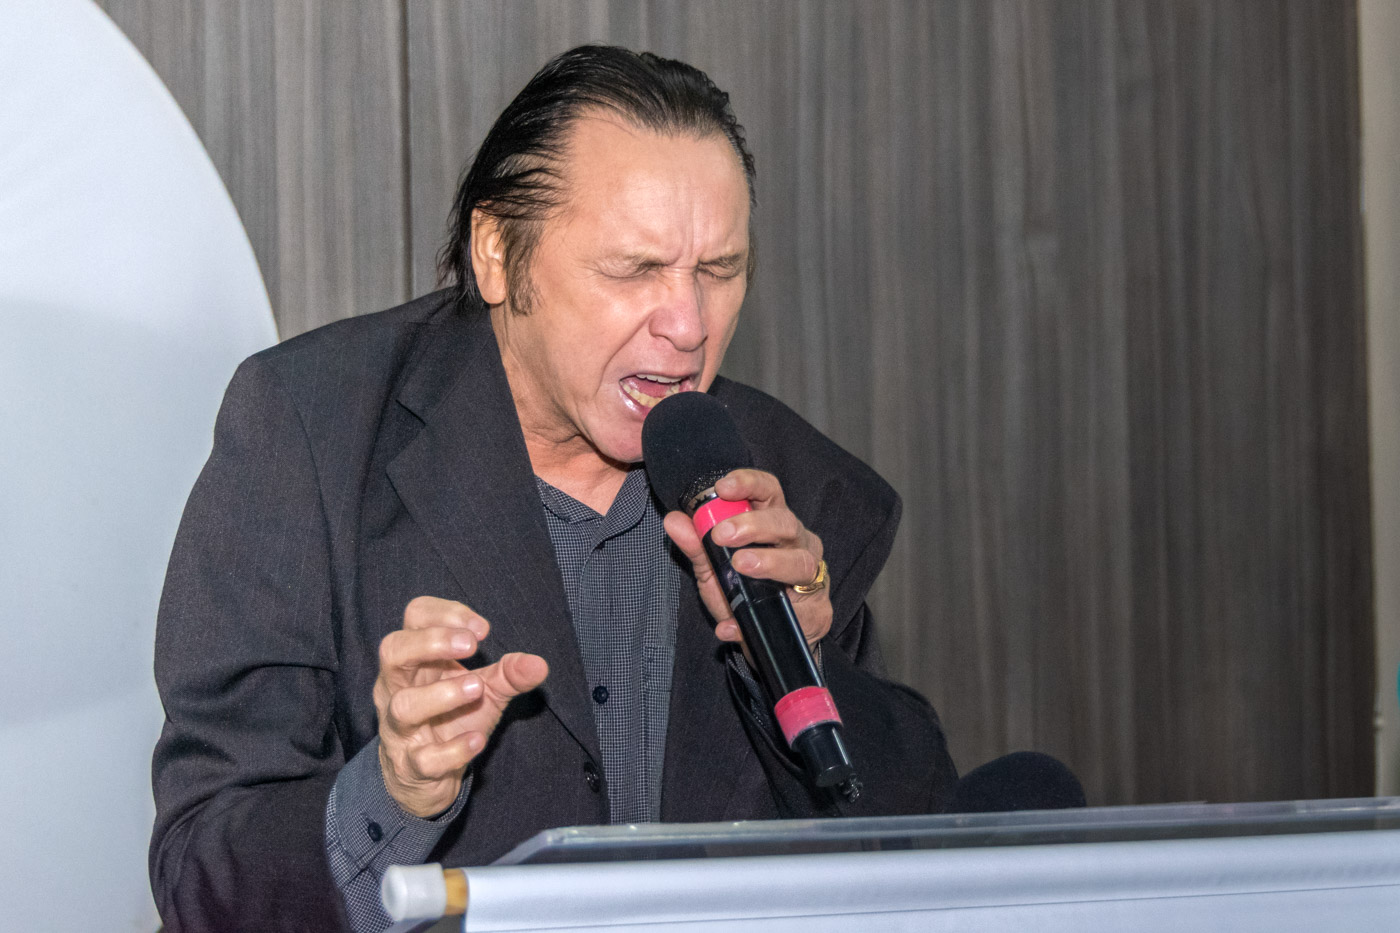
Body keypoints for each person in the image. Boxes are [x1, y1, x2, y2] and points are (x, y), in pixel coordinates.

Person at [149, 45, 957, 933]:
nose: (688, 324)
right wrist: (390, 793)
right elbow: (201, 875)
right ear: (498, 253)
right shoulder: (311, 433)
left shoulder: (786, 483)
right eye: (636, 269)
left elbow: (915, 850)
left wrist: (806, 660)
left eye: (719, 270)